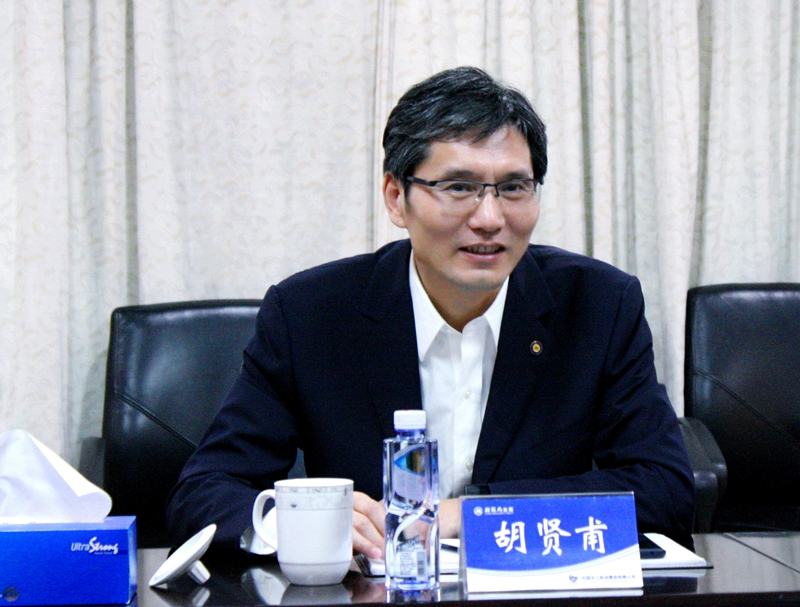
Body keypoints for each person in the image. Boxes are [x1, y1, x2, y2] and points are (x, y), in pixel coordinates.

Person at [166, 67, 695, 557]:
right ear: (396, 198)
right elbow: (203, 494)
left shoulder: (599, 306)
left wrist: (470, 515)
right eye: (459, 187)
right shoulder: (309, 315)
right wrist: (297, 525)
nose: (490, 218)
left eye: (514, 187)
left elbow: (665, 489)